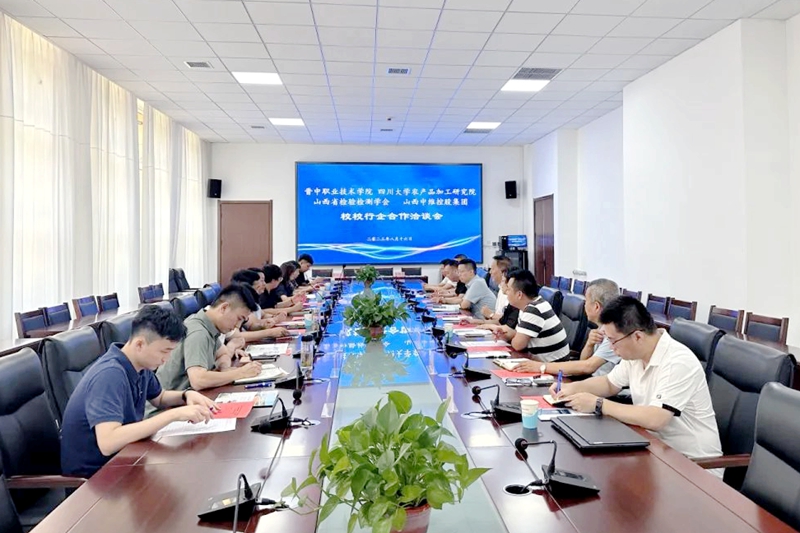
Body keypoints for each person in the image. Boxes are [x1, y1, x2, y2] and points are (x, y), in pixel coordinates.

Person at [552, 296, 722, 466]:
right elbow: (609, 384)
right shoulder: (635, 354)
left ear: (638, 337)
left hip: (693, 463)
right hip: (653, 447)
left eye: (613, 341)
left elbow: (656, 419)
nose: (611, 347)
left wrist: (598, 404)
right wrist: (571, 388)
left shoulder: (678, 361)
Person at [61, 305, 219, 478]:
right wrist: (173, 415)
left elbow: (160, 398)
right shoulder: (109, 375)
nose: (166, 359)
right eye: (164, 351)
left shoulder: (139, 365)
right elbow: (108, 442)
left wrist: (186, 395)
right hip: (95, 478)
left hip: (125, 459)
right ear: (140, 344)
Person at [156, 284, 263, 392]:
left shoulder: (210, 326)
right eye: (239, 318)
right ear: (224, 308)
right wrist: (240, 373)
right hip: (171, 400)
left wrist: (224, 368)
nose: (238, 325)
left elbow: (224, 354)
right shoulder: (198, 332)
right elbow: (198, 380)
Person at [512, 278, 621, 376]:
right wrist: (589, 344)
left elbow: (588, 367)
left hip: (601, 386)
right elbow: (583, 361)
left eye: (586, 301)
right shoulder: (601, 327)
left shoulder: (615, 333)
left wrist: (541, 366)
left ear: (596, 307)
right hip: (590, 380)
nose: (584, 305)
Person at [495, 269, 570, 361]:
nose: (506, 292)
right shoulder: (534, 304)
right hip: (541, 363)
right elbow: (520, 335)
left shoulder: (533, 310)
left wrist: (512, 337)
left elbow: (518, 345)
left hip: (553, 367)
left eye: (509, 289)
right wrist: (506, 334)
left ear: (519, 295)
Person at [230, 269, 290, 341]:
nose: (263, 284)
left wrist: (265, 324)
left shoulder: (251, 300)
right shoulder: (236, 303)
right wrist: (270, 332)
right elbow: (235, 336)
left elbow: (251, 324)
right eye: (261, 281)